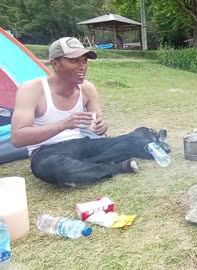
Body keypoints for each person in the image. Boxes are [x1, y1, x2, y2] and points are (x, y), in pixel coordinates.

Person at [10, 37, 167, 187]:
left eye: (84, 61)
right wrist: (63, 125)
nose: (82, 66)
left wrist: (101, 126)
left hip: (81, 145)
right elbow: (18, 138)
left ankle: (140, 139)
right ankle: (116, 167)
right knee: (52, 167)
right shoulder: (32, 89)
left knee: (132, 141)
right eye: (74, 61)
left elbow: (98, 129)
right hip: (47, 152)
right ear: (55, 63)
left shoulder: (87, 88)